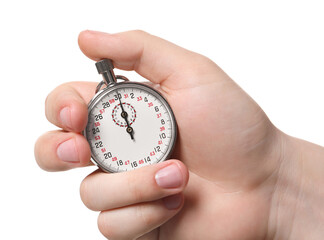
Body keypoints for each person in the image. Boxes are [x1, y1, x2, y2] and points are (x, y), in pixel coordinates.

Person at [34, 30, 324, 240]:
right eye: (123, 120)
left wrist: (277, 178)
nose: (127, 123)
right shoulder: (96, 116)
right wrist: (279, 191)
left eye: (127, 118)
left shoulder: (148, 104)